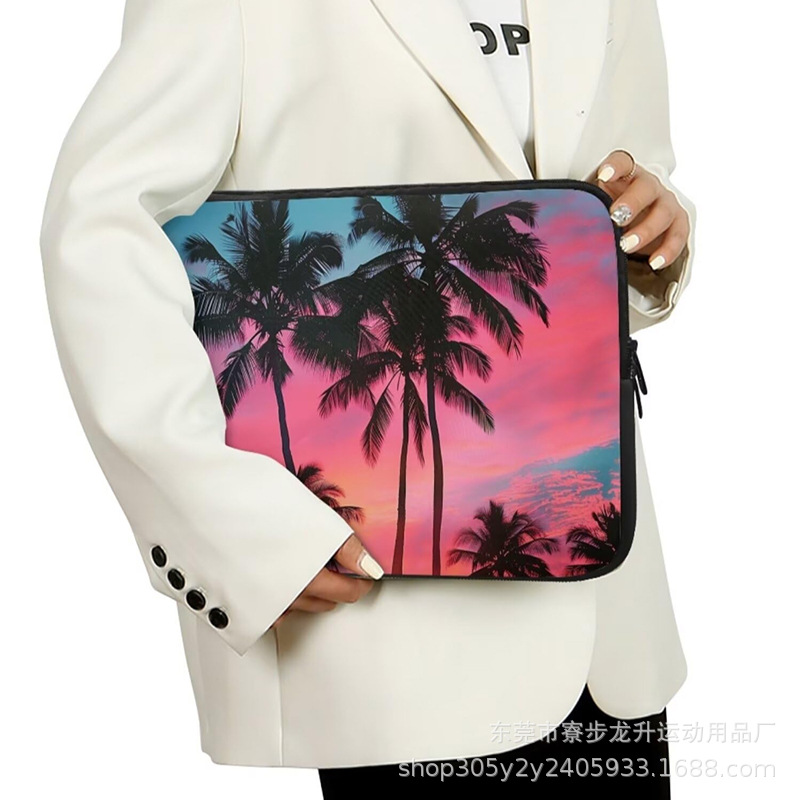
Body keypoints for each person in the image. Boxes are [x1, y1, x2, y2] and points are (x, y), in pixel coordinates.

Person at [39, 0, 694, 796]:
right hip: (385, 628)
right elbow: (100, 228)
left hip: (608, 619)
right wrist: (232, 526)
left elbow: (620, 196)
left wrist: (655, 241)